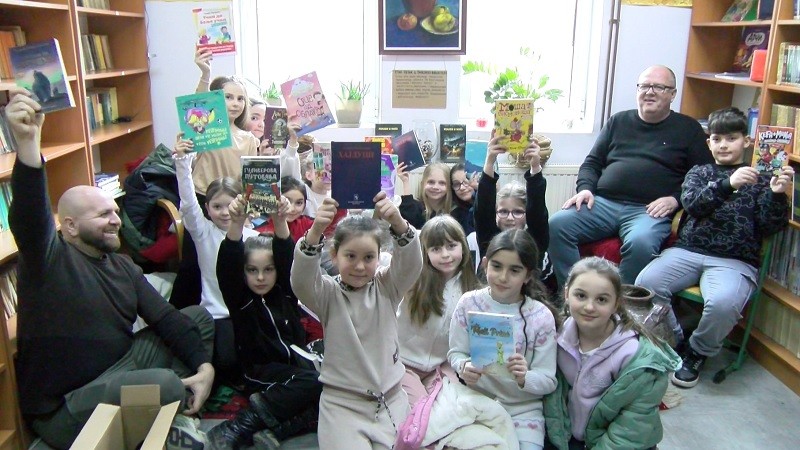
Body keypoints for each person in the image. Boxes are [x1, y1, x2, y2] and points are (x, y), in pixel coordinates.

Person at [5, 89, 215, 449]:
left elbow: (165, 317)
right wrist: (28, 144)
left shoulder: (121, 265)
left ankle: (163, 409)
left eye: (115, 212)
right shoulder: (48, 259)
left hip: (123, 366)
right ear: (70, 226)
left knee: (198, 319)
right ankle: (167, 410)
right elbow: (29, 218)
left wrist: (204, 368)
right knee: (165, 384)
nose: (116, 220)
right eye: (103, 214)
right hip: (68, 404)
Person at [635, 107, 793, 388]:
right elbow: (693, 205)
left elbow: (771, 226)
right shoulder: (699, 172)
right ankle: (676, 342)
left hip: (735, 260)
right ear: (709, 143)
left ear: (747, 141)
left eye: (731, 138)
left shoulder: (762, 179)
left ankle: (697, 351)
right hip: (688, 250)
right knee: (647, 283)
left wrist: (777, 195)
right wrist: (728, 184)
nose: (723, 145)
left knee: (723, 304)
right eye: (717, 139)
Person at [548, 65, 713, 287]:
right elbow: (592, 163)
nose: (649, 92)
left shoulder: (688, 129)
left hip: (648, 211)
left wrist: (676, 199)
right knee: (557, 225)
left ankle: (622, 304)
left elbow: (704, 177)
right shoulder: (618, 121)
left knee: (641, 242)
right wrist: (585, 189)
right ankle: (572, 293)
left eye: (659, 87)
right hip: (603, 204)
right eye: (644, 86)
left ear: (673, 94)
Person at [290, 194, 423, 449]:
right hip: (342, 405)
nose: (360, 266)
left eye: (369, 257)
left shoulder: (387, 287)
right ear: (334, 255)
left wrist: (398, 222)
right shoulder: (327, 293)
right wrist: (316, 231)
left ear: (379, 256)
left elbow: (411, 264)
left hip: (391, 400)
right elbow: (301, 281)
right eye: (350, 256)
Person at [206, 195, 322, 449]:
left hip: (294, 368)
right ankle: (238, 426)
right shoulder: (242, 300)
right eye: (252, 270)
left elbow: (287, 258)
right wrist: (237, 223)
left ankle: (276, 432)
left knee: (336, 386)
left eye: (268, 269)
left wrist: (280, 220)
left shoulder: (286, 293)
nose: (260, 277)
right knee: (315, 383)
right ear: (243, 272)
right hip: (260, 373)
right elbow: (227, 265)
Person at [543, 257, 680, 450]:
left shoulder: (637, 359)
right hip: (569, 437)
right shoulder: (555, 335)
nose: (589, 307)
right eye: (581, 296)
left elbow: (630, 430)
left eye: (601, 299)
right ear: (567, 294)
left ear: (616, 303)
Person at [449, 229, 559, 450]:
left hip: (523, 410)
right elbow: (455, 353)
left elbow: (548, 381)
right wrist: (463, 366)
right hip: (476, 402)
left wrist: (525, 377)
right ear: (485, 264)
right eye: (497, 266)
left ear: (528, 275)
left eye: (514, 270)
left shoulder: (540, 317)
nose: (503, 277)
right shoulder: (468, 303)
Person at [173, 136, 259, 385]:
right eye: (217, 206)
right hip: (217, 314)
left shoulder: (252, 236)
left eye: (229, 205)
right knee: (225, 364)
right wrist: (182, 161)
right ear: (207, 209)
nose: (224, 212)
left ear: (242, 204)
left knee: (254, 360)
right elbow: (188, 203)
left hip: (248, 310)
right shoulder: (203, 233)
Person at [397, 215, 482, 407]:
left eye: (451, 246)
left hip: (441, 365)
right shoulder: (412, 280)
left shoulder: (471, 290)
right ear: (425, 252)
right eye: (436, 249)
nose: (445, 254)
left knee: (455, 407)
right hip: (403, 363)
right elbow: (399, 255)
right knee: (420, 409)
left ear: (463, 247)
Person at [473, 136, 553, 290]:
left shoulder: (535, 241)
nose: (510, 218)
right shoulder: (488, 239)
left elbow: (538, 212)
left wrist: (535, 167)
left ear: (527, 215)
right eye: (503, 212)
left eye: (518, 212)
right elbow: (482, 211)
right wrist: (489, 162)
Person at [397, 162, 452, 230]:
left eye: (442, 183)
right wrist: (405, 182)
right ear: (423, 184)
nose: (435, 187)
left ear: (449, 186)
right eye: (431, 182)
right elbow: (407, 228)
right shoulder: (417, 208)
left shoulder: (454, 210)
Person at [449, 162, 479, 235]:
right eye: (456, 184)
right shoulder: (454, 215)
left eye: (466, 181)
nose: (462, 188)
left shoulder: (489, 205)